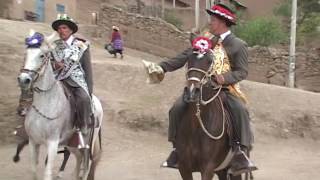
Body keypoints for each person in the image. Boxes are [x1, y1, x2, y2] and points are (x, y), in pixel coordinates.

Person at [143, 3, 257, 176]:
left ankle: (240, 153)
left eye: (213, 20)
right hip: (199, 88)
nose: (210, 23)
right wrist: (162, 67)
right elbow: (184, 57)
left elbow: (242, 71)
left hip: (224, 89)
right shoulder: (204, 41)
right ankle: (176, 150)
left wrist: (224, 78)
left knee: (240, 110)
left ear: (223, 22)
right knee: (176, 108)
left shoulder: (238, 45)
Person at [17, 14, 93, 149]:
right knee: (33, 90)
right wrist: (55, 65)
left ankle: (82, 127)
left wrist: (89, 91)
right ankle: (27, 124)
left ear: (71, 30)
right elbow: (45, 63)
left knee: (83, 99)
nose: (61, 30)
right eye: (59, 28)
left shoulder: (81, 45)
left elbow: (88, 71)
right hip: (56, 79)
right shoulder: (54, 46)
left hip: (75, 81)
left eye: (64, 27)